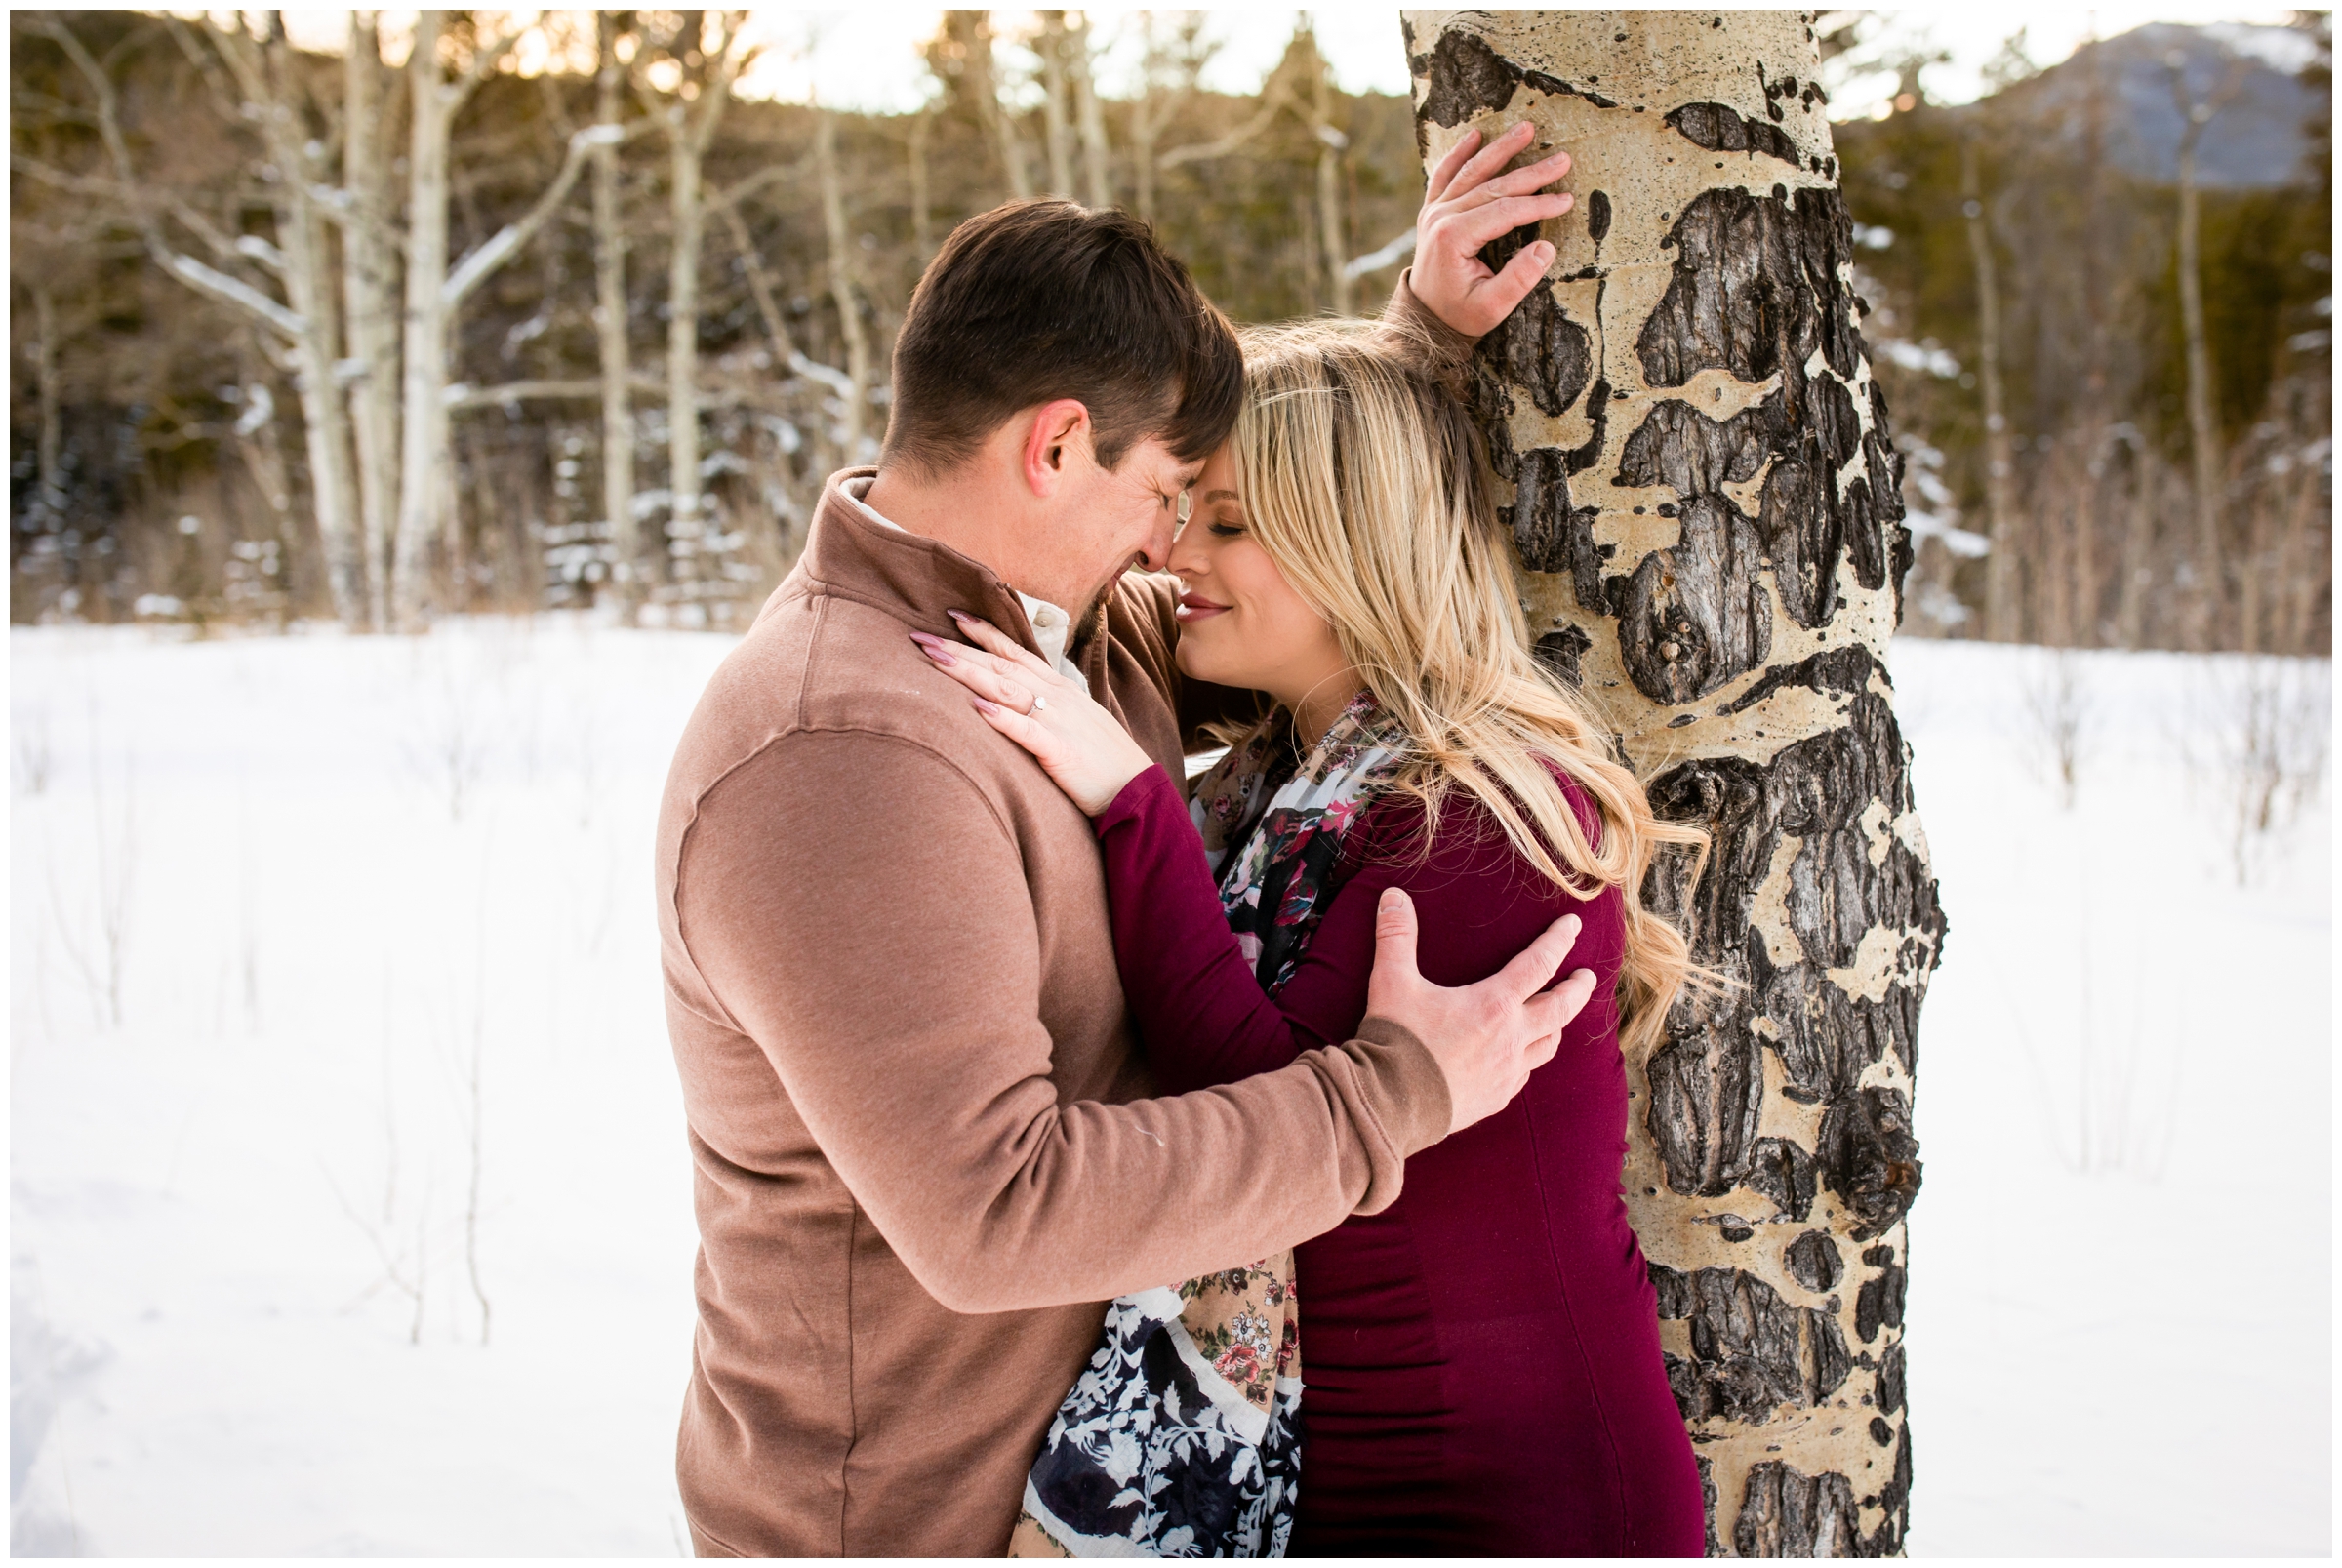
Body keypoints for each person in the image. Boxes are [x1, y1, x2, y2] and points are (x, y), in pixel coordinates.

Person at [656, 129, 1595, 1554]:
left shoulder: (1053, 636)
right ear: (1053, 447)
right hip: (922, 1524)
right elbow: (998, 1216)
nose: (1170, 544)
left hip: (1099, 1506)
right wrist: (1386, 1096)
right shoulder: (843, 753)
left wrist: (1417, 348)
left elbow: (1313, 601)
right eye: (1166, 493)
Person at [918, 166, 1711, 1552]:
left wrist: (1130, 802)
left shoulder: (1481, 821)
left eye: (1224, 522)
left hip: (1516, 1494)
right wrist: (1419, 335)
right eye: (1184, 510)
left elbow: (1265, 1109)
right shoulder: (1299, 778)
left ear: (1351, 546)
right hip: (1344, 1477)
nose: (1174, 554)